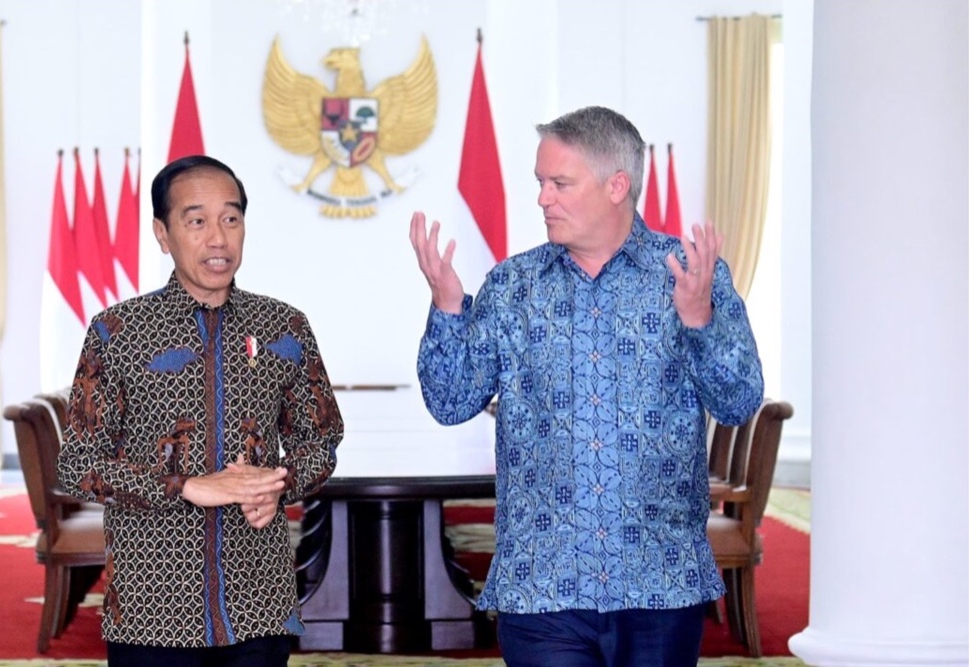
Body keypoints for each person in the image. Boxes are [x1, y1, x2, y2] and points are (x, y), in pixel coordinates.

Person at [409, 106, 763, 667]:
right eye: (540, 183)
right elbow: (451, 402)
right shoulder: (512, 285)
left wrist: (699, 322)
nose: (543, 199)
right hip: (542, 585)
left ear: (616, 185)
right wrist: (448, 306)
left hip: (660, 582)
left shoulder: (692, 274)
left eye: (560, 183)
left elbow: (739, 399)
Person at [58, 155, 344, 667]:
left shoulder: (285, 327)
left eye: (230, 219)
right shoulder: (117, 332)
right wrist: (185, 486)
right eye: (197, 221)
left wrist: (281, 482)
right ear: (162, 234)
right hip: (154, 611)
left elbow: (320, 441)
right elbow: (78, 463)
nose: (218, 238)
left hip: (258, 603)